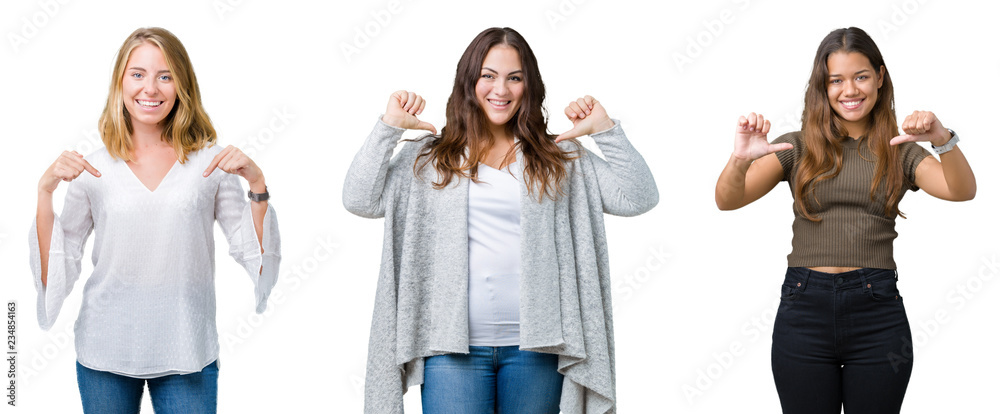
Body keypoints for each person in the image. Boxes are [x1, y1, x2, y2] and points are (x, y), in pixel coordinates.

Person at [344, 27, 658, 414]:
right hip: (450, 350)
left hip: (537, 348)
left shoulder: (558, 156)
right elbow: (360, 200)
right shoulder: (431, 158)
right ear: (469, 81)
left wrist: (606, 130)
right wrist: (388, 128)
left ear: (530, 86)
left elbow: (638, 197)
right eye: (488, 75)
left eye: (515, 78)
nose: (501, 89)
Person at [714, 27, 975, 414]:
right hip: (804, 308)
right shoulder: (797, 145)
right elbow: (728, 199)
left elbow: (960, 190)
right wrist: (740, 159)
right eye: (836, 80)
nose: (849, 90)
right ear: (823, 85)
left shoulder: (899, 150)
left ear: (880, 77)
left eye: (861, 76)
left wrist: (941, 138)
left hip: (877, 312)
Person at [30, 27, 280, 413]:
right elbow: (57, 269)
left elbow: (256, 257)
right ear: (120, 82)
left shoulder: (210, 164)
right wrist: (44, 193)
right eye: (138, 74)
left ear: (181, 85)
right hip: (106, 349)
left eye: (165, 76)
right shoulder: (92, 169)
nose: (151, 88)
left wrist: (258, 185)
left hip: (187, 349)